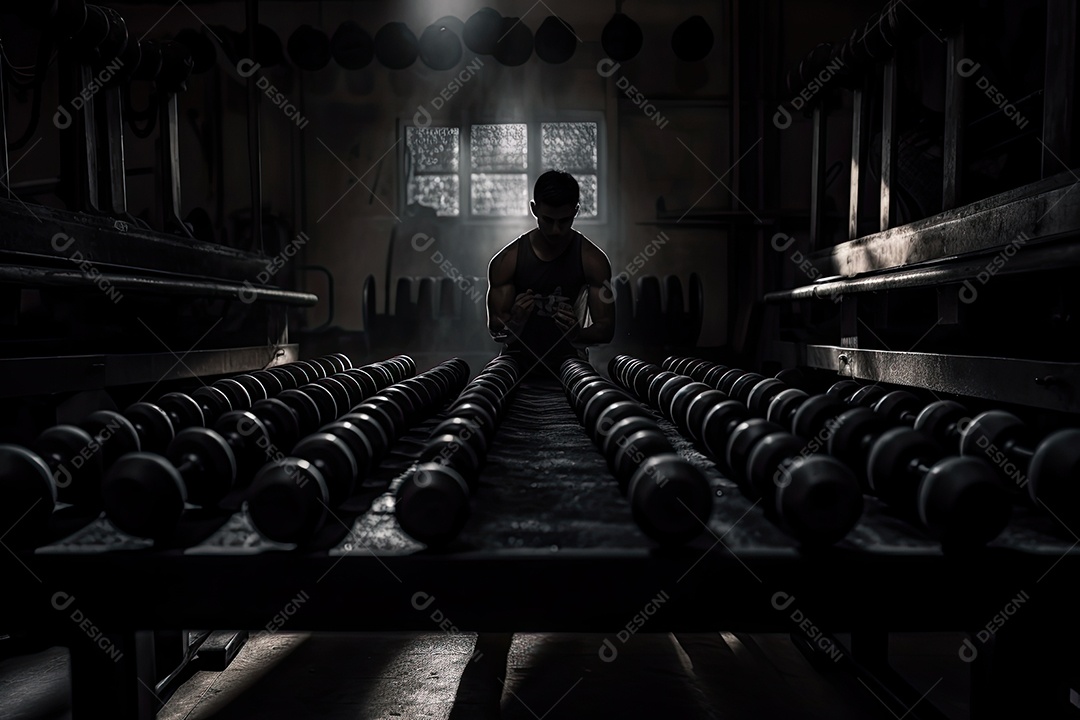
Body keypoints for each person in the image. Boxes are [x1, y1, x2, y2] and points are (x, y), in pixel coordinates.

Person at [486, 170, 615, 381]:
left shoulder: (593, 261)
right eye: (548, 220)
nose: (556, 230)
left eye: (564, 221)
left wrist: (576, 334)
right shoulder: (506, 261)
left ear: (576, 211)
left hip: (569, 365)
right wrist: (516, 323)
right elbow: (496, 332)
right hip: (517, 366)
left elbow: (606, 330)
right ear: (534, 209)